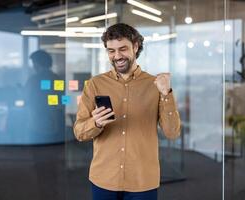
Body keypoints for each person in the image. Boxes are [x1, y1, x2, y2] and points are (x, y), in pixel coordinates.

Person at [73, 23, 181, 200]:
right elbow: (79, 132)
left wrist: (166, 94)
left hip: (142, 180)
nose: (117, 56)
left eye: (122, 49)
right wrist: (96, 123)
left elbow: (172, 133)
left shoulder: (155, 85)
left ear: (136, 47)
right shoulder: (95, 84)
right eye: (111, 51)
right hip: (104, 178)